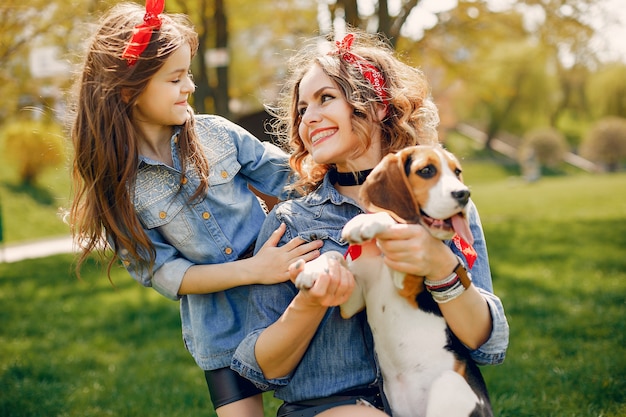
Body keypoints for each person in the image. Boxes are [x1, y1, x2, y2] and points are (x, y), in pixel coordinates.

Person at [232, 31, 509, 417]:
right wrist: (311, 301)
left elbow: (485, 344)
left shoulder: (444, 204)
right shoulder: (294, 221)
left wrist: (440, 266)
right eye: (302, 108)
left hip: (437, 397)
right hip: (332, 408)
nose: (309, 118)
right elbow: (263, 369)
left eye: (326, 98)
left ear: (377, 106)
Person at [67, 2, 322, 416]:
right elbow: (164, 273)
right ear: (128, 89)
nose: (189, 86)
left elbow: (295, 178)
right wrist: (252, 269)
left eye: (188, 74)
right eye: (175, 77)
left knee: (322, 404)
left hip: (286, 300)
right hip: (219, 331)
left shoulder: (217, 135)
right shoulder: (119, 189)